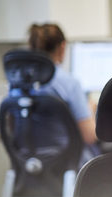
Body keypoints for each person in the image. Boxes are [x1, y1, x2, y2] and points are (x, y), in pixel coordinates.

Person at [21, 23, 99, 163]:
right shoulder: (69, 83)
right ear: (62, 47)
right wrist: (91, 111)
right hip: (68, 169)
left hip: (30, 165)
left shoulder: (19, 81)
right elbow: (89, 136)